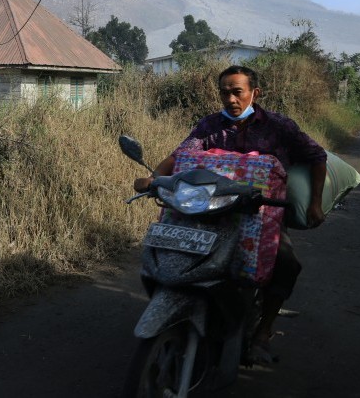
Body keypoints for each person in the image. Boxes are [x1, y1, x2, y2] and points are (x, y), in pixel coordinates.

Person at [133, 65, 327, 364]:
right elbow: (180, 155)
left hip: (260, 216)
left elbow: (317, 157)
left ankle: (263, 332)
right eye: (225, 92)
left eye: (237, 92)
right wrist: (154, 177)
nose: (231, 99)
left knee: (286, 263)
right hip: (209, 210)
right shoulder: (210, 126)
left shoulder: (278, 126)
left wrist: (315, 203)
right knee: (177, 252)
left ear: (254, 93)